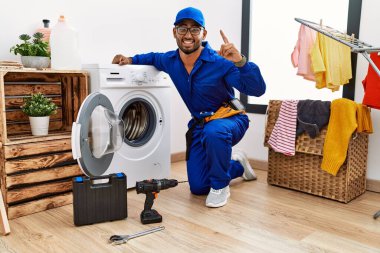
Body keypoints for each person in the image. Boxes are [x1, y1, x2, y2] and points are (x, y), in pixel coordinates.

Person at [112, 7, 266, 208]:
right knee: (199, 187)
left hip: (230, 119)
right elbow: (151, 57)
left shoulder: (221, 62)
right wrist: (130, 59)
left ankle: (221, 187)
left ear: (204, 34)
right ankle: (237, 165)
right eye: (182, 28)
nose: (188, 34)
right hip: (201, 126)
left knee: (214, 132)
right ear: (174, 32)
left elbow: (257, 89)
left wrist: (240, 61)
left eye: (195, 29)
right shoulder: (170, 60)